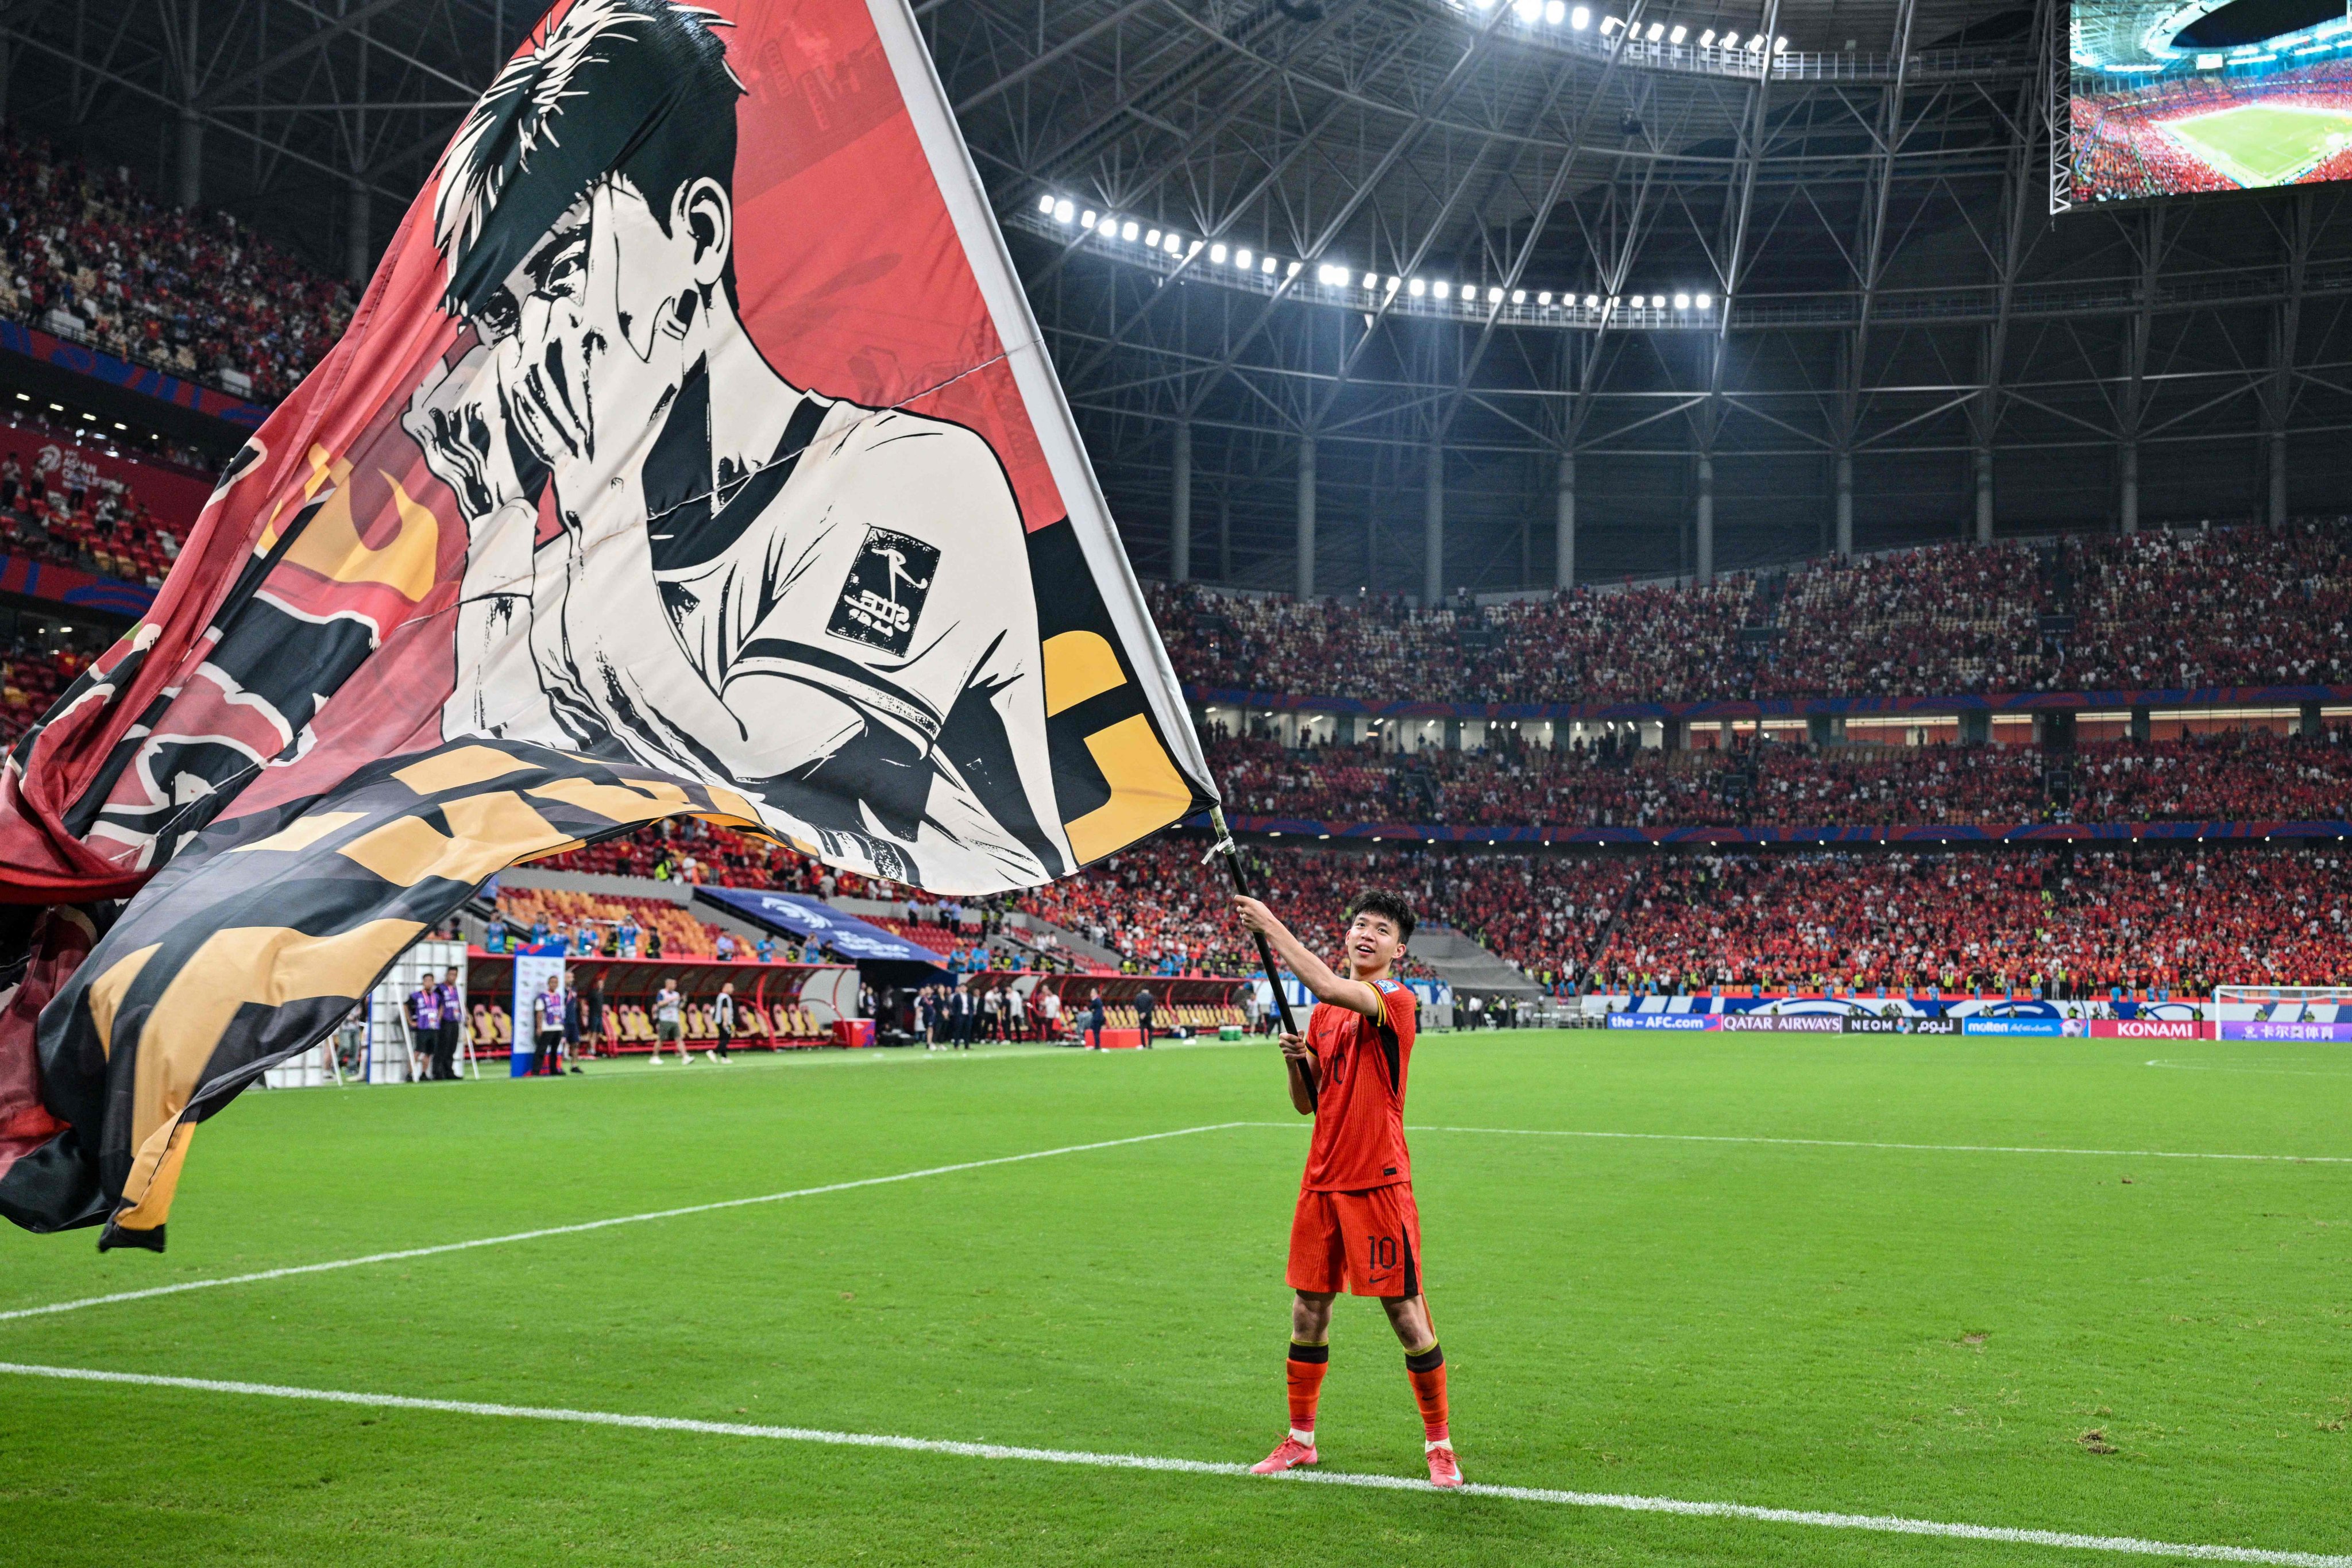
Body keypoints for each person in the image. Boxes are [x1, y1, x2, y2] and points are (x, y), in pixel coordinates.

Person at [406, 0, 1073, 893]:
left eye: (563, 270)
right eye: (502, 314)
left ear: (699, 235)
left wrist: (594, 486)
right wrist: (495, 516)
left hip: (978, 934)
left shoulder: (910, 478)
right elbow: (487, 773)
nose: (532, 343)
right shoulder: (577, 571)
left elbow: (765, 757)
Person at [1233, 887, 1460, 1490]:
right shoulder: (1323, 1016)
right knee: (1309, 1309)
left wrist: (1271, 926)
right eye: (1360, 923)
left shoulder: (1394, 999)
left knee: (1406, 1315)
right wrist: (1294, 1063)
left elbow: (1334, 987)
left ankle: (1439, 1446)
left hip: (1378, 1182)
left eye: (1380, 929)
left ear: (1398, 948)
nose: (1366, 934)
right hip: (1322, 1181)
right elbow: (1308, 1103)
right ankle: (1300, 1440)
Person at [530, 972, 566, 1075]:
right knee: (542, 1049)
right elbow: (539, 1012)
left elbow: (561, 1011)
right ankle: (536, 1071)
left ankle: (554, 1070)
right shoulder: (543, 997)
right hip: (547, 1027)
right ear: (548, 983)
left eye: (556, 983)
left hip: (558, 1026)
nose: (554, 984)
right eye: (552, 982)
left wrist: (562, 1026)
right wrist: (539, 1027)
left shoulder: (559, 996)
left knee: (555, 1050)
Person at [650, 977, 692, 1064]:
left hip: (675, 1020)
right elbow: (660, 1004)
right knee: (662, 1039)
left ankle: (685, 1057)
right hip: (665, 1020)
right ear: (668, 984)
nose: (675, 986)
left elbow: (679, 1007)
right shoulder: (662, 993)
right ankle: (654, 1057)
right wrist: (670, 1000)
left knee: (679, 1039)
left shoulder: (676, 994)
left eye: (675, 984)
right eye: (673, 984)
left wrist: (683, 1001)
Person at [433, 967, 464, 1080]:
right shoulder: (440, 989)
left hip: (455, 1020)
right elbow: (435, 1005)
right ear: (447, 975)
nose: (453, 977)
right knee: (443, 1047)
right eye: (451, 974)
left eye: (455, 975)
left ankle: (449, 1071)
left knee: (452, 1047)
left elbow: (460, 1003)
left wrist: (467, 1015)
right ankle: (438, 1072)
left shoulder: (457, 989)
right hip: (444, 1021)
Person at [710, 980, 737, 1063]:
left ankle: (724, 1058)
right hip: (723, 1021)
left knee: (723, 1038)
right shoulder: (725, 997)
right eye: (732, 987)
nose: (733, 989)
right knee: (727, 1037)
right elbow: (724, 1009)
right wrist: (725, 1021)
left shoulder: (720, 997)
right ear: (726, 988)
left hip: (719, 1020)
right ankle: (713, 1052)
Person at [1083, 988, 1106, 1052]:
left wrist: (1091, 1009)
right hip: (1099, 1018)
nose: (1091, 994)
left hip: (1096, 1019)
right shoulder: (1099, 1000)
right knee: (1097, 1032)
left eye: (1092, 993)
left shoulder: (1096, 1000)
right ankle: (1097, 1045)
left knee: (1096, 1032)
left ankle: (1097, 1046)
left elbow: (1090, 1008)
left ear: (1095, 993)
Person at [1134, 985, 1157, 1050]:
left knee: (1142, 1030)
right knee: (1150, 1030)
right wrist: (1145, 1013)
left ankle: (1143, 1044)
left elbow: (1136, 1006)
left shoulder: (1138, 997)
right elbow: (1151, 1007)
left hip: (1141, 1016)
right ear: (1148, 990)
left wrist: (1141, 1013)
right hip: (1148, 1016)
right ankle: (1150, 1044)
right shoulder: (1150, 997)